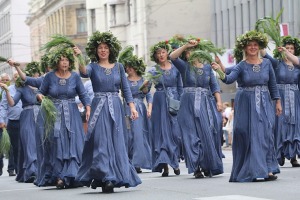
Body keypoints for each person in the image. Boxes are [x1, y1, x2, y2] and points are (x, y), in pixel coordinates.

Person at [212, 30, 282, 182]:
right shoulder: (241, 66)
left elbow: (273, 84)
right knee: (248, 134)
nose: (252, 47)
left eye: (255, 45)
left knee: (266, 135)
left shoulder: (267, 63)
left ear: (260, 46)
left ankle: (268, 169)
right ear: (244, 48)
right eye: (249, 45)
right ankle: (252, 169)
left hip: (264, 102)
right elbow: (229, 79)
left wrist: (277, 101)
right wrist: (219, 70)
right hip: (246, 102)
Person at [75, 31, 141, 193]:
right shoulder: (93, 66)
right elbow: (84, 72)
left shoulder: (118, 67)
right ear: (96, 51)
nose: (103, 50)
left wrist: (132, 107)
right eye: (100, 48)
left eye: (105, 47)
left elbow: (125, 89)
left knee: (116, 141)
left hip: (116, 107)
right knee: (101, 141)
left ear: (110, 49)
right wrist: (79, 57)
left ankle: (114, 176)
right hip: (99, 106)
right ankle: (105, 176)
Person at [35, 47, 91, 189]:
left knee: (74, 143)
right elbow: (40, 93)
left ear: (70, 62)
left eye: (66, 60)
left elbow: (83, 94)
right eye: (61, 60)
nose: (64, 63)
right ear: (56, 62)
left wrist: (88, 108)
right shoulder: (49, 76)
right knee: (57, 143)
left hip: (72, 113)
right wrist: (41, 98)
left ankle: (74, 175)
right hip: (55, 114)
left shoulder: (75, 76)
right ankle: (59, 176)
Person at [169, 39, 224, 178]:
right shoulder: (184, 66)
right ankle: (196, 166)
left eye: (193, 50)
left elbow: (214, 85)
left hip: (205, 103)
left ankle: (207, 165)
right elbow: (172, 57)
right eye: (188, 52)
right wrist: (186, 45)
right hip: (187, 103)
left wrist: (219, 101)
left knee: (207, 134)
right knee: (191, 135)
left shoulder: (207, 68)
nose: (190, 53)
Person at [261, 36, 300, 167]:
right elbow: (264, 54)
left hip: (294, 98)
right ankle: (280, 153)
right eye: (287, 48)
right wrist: (261, 42)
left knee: (294, 125)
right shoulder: (277, 63)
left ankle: (293, 155)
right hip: (280, 98)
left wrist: (286, 52)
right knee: (279, 125)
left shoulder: (297, 66)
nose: (289, 50)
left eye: (291, 48)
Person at [0, 62, 41, 183]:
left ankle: (41, 170)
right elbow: (12, 103)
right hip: (27, 118)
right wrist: (7, 91)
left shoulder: (41, 87)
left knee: (39, 144)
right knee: (29, 144)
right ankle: (32, 172)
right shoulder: (22, 89)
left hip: (39, 117)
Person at [147, 41, 183, 177]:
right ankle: (165, 166)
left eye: (163, 52)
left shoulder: (176, 68)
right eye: (158, 53)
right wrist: (145, 85)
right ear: (155, 56)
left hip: (173, 102)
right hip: (159, 102)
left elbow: (180, 87)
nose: (161, 55)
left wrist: (181, 102)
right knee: (161, 134)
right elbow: (145, 90)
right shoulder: (153, 70)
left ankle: (175, 161)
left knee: (175, 133)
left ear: (167, 53)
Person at [118, 46, 153, 173]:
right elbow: (123, 94)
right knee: (128, 134)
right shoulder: (124, 81)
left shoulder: (144, 80)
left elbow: (148, 95)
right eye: (127, 67)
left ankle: (138, 162)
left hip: (140, 109)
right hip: (127, 109)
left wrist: (149, 108)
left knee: (140, 134)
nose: (128, 69)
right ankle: (129, 160)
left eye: (130, 67)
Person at [0, 72, 22, 177]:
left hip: (26, 121)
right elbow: (3, 107)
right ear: (13, 79)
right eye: (15, 77)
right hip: (13, 122)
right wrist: (2, 120)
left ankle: (26, 168)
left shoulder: (27, 88)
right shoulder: (8, 90)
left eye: (19, 77)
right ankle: (17, 170)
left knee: (27, 145)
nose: (18, 79)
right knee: (15, 147)